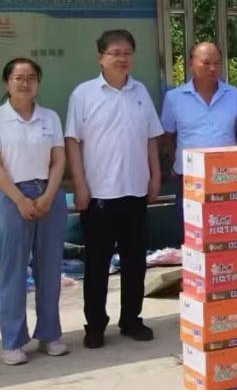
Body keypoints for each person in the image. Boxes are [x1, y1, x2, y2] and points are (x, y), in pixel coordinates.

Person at [65, 29, 164, 348]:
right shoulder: (84, 94)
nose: (122, 58)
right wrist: (80, 185)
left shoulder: (140, 92)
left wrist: (155, 175)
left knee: (135, 263)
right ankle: (95, 325)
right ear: (101, 57)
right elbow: (72, 143)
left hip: (135, 191)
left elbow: (151, 138)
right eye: (115, 53)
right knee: (97, 265)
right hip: (99, 195)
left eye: (127, 53)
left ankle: (131, 319)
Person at [0, 58, 69, 365]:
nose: (25, 83)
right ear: (7, 83)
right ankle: (13, 342)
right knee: (12, 271)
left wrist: (48, 196)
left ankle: (50, 335)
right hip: (11, 195)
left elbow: (59, 160)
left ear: (38, 83)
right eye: (18, 78)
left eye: (31, 77)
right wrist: (20, 200)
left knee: (50, 269)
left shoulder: (50, 117)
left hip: (49, 194)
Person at [160, 42, 237, 239]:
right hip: (190, 178)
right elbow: (167, 137)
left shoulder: (235, 95)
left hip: (228, 178)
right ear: (191, 64)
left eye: (217, 63)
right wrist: (175, 162)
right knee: (192, 235)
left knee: (228, 233)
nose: (212, 68)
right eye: (206, 63)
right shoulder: (174, 98)